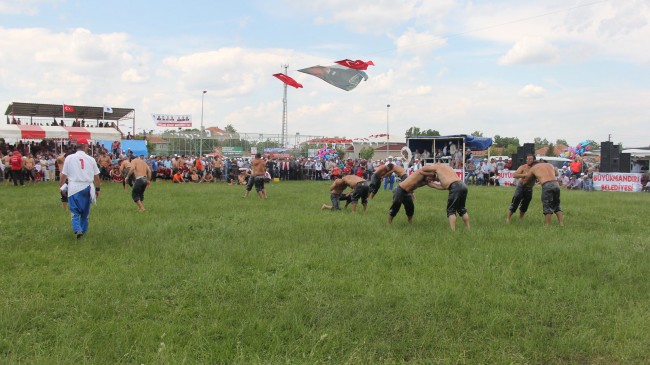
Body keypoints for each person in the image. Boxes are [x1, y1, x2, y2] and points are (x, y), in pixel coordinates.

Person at [59, 138, 100, 239]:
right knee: (85, 213)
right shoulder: (91, 159)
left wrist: (61, 186)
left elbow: (64, 174)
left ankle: (77, 230)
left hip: (74, 188)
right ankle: (83, 230)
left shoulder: (69, 158)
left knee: (75, 211)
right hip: (87, 187)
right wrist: (98, 189)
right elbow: (97, 177)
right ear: (86, 147)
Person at [421, 163, 471, 231]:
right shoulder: (448, 169)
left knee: (451, 210)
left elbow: (424, 168)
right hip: (463, 185)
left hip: (455, 186)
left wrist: (427, 170)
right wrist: (431, 184)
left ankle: (453, 231)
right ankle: (468, 228)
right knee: (462, 208)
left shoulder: (438, 167)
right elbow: (444, 187)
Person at [522, 161, 564, 226]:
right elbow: (556, 173)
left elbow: (527, 178)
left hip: (547, 184)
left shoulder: (533, 168)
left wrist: (523, 184)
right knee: (557, 204)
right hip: (556, 184)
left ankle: (547, 225)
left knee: (547, 205)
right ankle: (561, 224)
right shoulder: (549, 165)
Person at [507, 154, 535, 223]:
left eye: (530, 159)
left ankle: (520, 219)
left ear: (534, 160)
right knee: (515, 202)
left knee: (525, 204)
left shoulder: (536, 168)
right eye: (527, 159)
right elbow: (514, 175)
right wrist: (525, 175)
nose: (528, 160)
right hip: (521, 187)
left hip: (529, 188)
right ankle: (508, 219)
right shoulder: (523, 167)